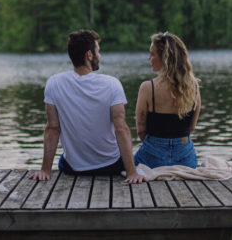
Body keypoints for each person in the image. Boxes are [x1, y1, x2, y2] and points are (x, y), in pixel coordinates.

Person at [29, 30, 147, 184]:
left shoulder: (54, 83)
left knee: (62, 160)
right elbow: (121, 129)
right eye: (98, 51)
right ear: (89, 55)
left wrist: (45, 170)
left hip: (73, 168)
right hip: (111, 166)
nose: (99, 56)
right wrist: (131, 172)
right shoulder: (112, 84)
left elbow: (52, 128)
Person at [134, 32, 201, 168]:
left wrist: (158, 146)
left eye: (152, 54)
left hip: (152, 158)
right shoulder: (194, 86)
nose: (149, 58)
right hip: (186, 159)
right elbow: (191, 127)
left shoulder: (148, 88)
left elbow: (141, 130)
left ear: (164, 58)